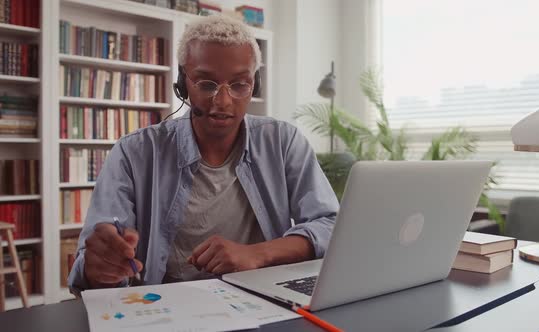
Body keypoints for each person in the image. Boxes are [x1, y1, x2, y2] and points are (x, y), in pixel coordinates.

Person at [67, 15, 338, 295]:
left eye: (239, 84)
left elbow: (331, 225)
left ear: (254, 84)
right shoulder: (134, 153)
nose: (223, 102)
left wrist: (258, 254)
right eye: (206, 84)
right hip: (163, 307)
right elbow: (94, 265)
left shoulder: (282, 142)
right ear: (183, 84)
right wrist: (99, 268)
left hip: (262, 302)